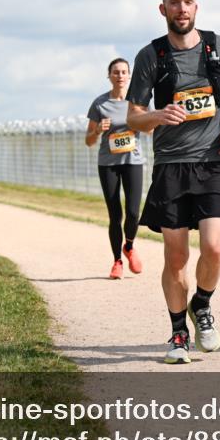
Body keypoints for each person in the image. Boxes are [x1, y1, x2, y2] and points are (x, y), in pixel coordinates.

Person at [126, 0, 220, 365]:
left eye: (188, 2)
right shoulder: (151, 56)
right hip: (171, 166)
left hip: (212, 162)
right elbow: (133, 117)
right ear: (163, 10)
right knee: (176, 258)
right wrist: (158, 116)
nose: (182, 9)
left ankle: (202, 305)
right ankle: (178, 333)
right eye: (174, 3)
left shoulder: (218, 47)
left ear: (197, 8)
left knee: (215, 247)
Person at [86, 58, 146, 279]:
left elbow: (149, 128)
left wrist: (146, 122)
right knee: (115, 215)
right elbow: (89, 140)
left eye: (124, 72)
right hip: (108, 164)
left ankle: (129, 246)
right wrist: (98, 131)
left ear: (129, 75)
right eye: (116, 72)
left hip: (133, 161)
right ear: (109, 76)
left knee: (133, 213)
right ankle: (117, 261)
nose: (120, 75)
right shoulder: (99, 103)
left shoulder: (138, 101)